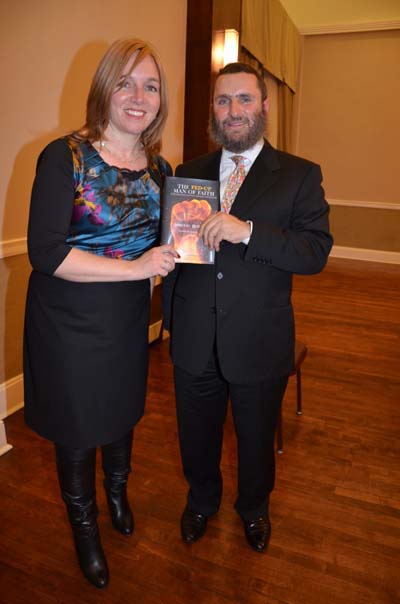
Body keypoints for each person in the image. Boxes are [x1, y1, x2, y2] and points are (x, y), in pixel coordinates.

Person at [23, 38, 178, 588]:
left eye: (151, 85)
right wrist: (139, 270)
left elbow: (166, 245)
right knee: (76, 425)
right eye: (126, 82)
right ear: (104, 89)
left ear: (162, 99)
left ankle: (117, 492)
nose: (139, 96)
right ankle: (85, 528)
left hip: (128, 321)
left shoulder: (161, 168)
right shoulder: (63, 156)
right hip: (68, 324)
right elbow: (46, 254)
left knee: (121, 411)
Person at [162, 62, 333, 553]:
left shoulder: (299, 175)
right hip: (194, 335)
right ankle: (201, 501)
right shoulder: (188, 172)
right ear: (213, 110)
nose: (232, 110)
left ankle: (254, 509)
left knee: (256, 439)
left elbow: (314, 252)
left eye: (243, 99)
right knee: (195, 435)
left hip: (258, 339)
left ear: (263, 105)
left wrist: (250, 231)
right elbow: (179, 252)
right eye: (222, 100)